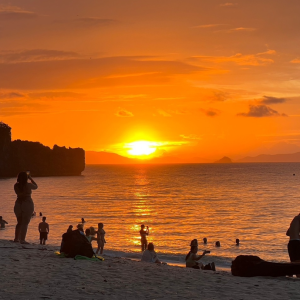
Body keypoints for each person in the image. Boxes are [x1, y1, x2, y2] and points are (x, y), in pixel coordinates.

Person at [13, 171, 38, 244]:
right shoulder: (28, 185)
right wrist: (30, 178)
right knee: (25, 222)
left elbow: (19, 193)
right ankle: (22, 239)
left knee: (19, 222)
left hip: (18, 203)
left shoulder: (16, 185)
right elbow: (36, 186)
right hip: (27, 203)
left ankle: (16, 238)